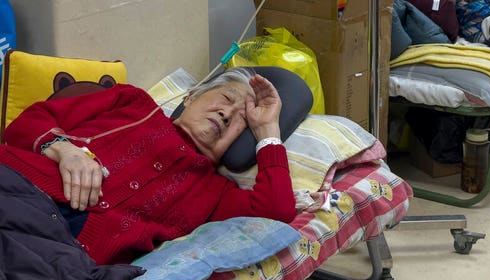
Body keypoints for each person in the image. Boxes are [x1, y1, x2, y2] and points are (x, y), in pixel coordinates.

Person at [0, 67, 297, 265]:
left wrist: (267, 130)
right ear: (191, 95)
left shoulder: (214, 193)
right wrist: (63, 149)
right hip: (19, 188)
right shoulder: (133, 102)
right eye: (226, 98)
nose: (226, 113)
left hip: (63, 253)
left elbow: (276, 211)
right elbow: (28, 123)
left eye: (241, 121)